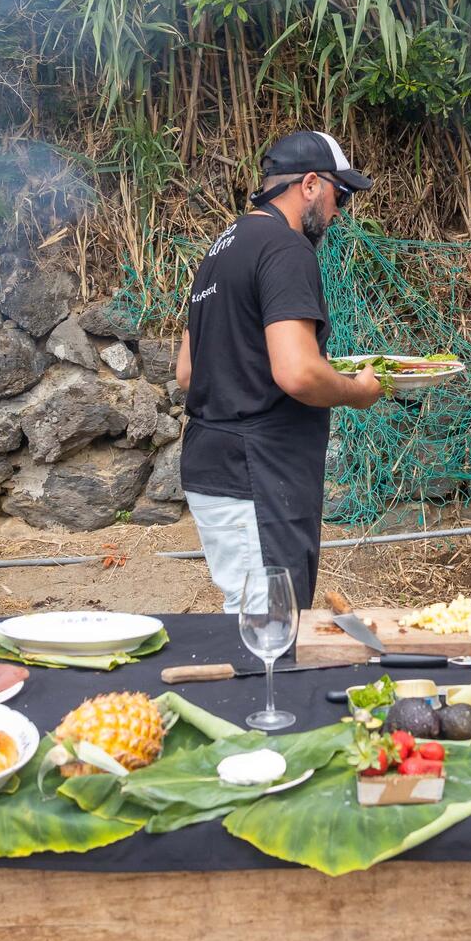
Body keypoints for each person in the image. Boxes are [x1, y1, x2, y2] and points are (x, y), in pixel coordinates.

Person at [174, 131, 385, 611]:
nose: (339, 212)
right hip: (259, 474)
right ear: (310, 184)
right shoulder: (285, 248)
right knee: (273, 631)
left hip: (215, 465)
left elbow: (189, 371)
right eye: (341, 195)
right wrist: (358, 390)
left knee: (250, 619)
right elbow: (297, 373)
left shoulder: (222, 247)